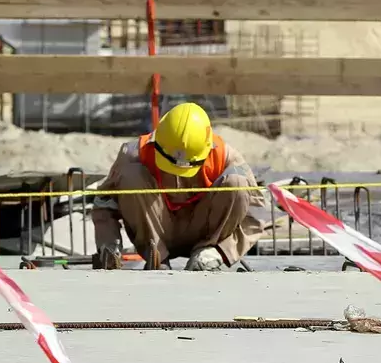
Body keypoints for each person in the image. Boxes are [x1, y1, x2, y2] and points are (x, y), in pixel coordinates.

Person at [92, 102, 265, 270]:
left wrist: (223, 251)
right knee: (131, 176)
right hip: (157, 232)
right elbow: (105, 203)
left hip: (206, 231)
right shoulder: (135, 153)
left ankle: (205, 254)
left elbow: (256, 213)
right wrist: (108, 243)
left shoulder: (224, 156)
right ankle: (158, 257)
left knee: (236, 183)